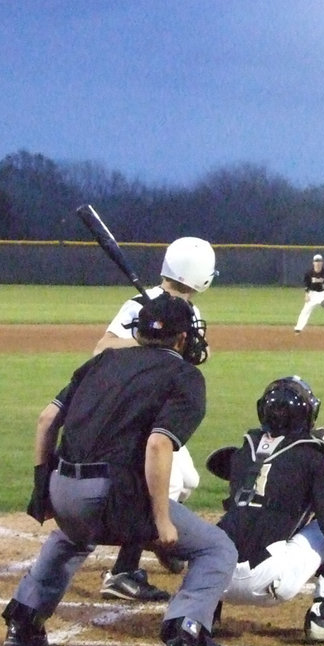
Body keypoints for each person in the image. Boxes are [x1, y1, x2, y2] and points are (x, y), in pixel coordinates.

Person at [2, 291, 239, 646]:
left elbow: (47, 420)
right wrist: (161, 519)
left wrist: (42, 491)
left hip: (64, 491)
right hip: (113, 499)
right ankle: (186, 638)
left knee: (71, 535)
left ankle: (24, 621)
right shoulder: (185, 376)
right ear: (182, 339)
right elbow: (158, 444)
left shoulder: (102, 361)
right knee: (217, 549)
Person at [206, 377, 324, 642]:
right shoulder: (315, 458)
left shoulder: (241, 453)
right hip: (269, 581)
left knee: (229, 522)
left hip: (214, 580)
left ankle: (203, 615)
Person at [93, 237, 218, 602]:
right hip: (135, 416)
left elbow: (192, 355)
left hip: (160, 412)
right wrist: (149, 341)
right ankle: (123, 571)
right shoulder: (137, 305)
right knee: (167, 486)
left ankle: (155, 538)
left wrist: (197, 350)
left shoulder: (189, 313)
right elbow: (101, 348)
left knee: (188, 479)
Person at [294, 253, 324, 334]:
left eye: (319, 261)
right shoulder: (309, 273)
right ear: (313, 263)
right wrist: (306, 295)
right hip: (312, 294)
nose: (318, 263)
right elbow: (306, 285)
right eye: (316, 261)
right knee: (305, 311)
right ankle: (298, 328)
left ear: (322, 263)